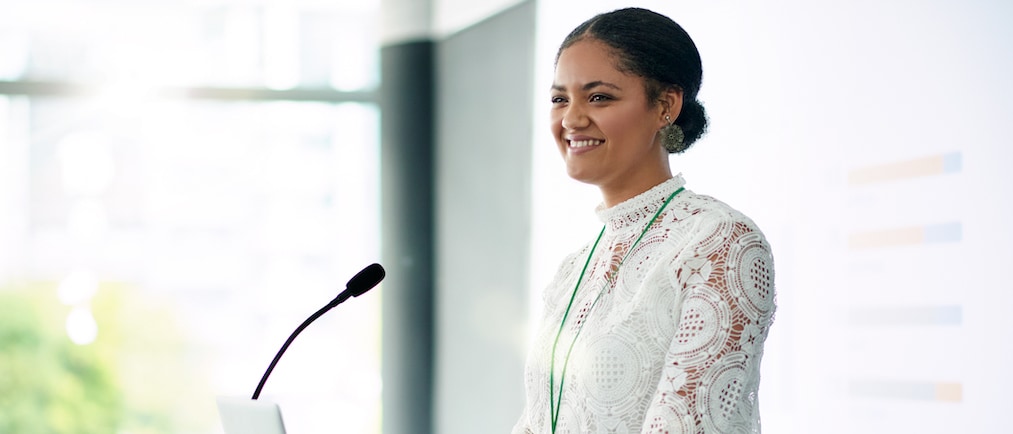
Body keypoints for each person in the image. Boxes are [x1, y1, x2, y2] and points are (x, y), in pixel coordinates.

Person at [512, 7, 776, 434]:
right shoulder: (573, 269)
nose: (571, 118)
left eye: (599, 97)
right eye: (560, 98)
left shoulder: (719, 241)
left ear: (665, 106)